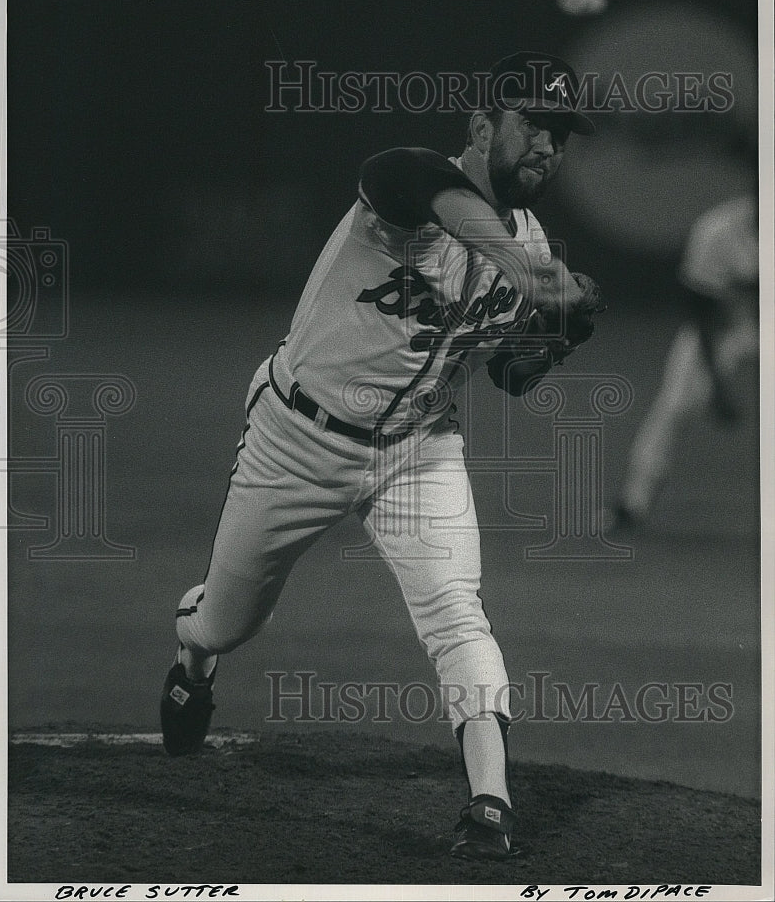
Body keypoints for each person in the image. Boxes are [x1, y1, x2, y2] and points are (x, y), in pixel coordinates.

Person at [160, 52, 597, 861]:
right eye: (533, 123)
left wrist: (549, 341)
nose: (548, 145)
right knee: (227, 621)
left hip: (418, 451)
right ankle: (193, 653)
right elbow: (402, 176)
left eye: (561, 133)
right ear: (480, 127)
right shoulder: (417, 187)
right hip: (295, 442)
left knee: (455, 608)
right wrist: (529, 279)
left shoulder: (531, 246)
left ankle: (490, 803)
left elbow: (503, 368)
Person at [609, 185, 758, 530]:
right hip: (723, 330)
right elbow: (701, 312)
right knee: (675, 406)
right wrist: (719, 386)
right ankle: (633, 503)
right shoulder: (719, 229)